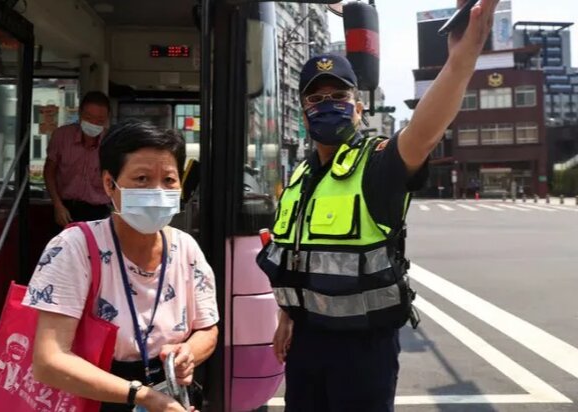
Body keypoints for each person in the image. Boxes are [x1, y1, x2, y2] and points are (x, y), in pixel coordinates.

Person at [256, 1, 499, 411]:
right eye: (316, 98)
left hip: (363, 351)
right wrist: (286, 317)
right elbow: (295, 257)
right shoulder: (299, 177)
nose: (327, 103)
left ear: (358, 106)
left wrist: (461, 62)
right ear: (303, 110)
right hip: (305, 344)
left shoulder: (379, 163)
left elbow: (423, 132)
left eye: (339, 95)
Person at [26, 120, 219, 412]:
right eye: (142, 179)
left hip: (172, 398)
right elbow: (49, 361)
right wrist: (142, 396)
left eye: (168, 180)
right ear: (109, 184)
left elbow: (208, 329)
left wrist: (187, 353)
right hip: (97, 397)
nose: (157, 191)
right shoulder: (74, 248)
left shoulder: (186, 248)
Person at [44, 91, 113, 229]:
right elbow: (49, 172)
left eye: (99, 120)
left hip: (99, 212)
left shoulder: (111, 141)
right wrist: (58, 205)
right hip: (66, 209)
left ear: (106, 119)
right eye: (88, 117)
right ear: (80, 114)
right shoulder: (62, 136)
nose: (93, 123)